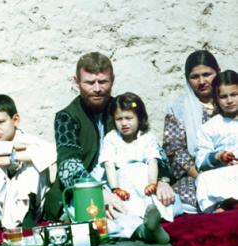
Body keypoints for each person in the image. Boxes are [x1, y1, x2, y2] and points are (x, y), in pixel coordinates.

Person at [44, 52, 176, 221]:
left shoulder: (123, 111)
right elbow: (68, 166)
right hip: (83, 189)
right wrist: (98, 194)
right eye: (90, 83)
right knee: (97, 217)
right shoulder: (66, 117)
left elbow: (153, 150)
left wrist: (162, 180)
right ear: (77, 82)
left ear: (112, 80)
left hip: (125, 187)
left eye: (103, 82)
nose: (97, 89)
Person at [98, 92, 182, 243]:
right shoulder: (112, 138)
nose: (124, 123)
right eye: (119, 119)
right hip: (123, 185)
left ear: (140, 118)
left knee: (167, 203)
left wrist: (152, 183)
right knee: (121, 214)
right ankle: (148, 231)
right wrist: (115, 188)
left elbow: (152, 162)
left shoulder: (146, 137)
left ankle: (153, 220)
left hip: (144, 184)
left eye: (129, 118)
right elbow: (109, 164)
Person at [0, 94, 56, 230]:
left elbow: (51, 152)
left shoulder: (26, 139)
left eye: (0, 122)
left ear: (15, 120)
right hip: (0, 206)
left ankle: (22, 218)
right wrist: (11, 147)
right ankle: (2, 219)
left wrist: (13, 157)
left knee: (32, 163)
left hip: (27, 204)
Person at [162, 50, 220, 212]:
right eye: (195, 77)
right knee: (182, 200)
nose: (202, 81)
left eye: (207, 74)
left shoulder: (229, 100)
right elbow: (175, 149)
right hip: (196, 173)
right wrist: (200, 177)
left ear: (218, 72)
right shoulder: (179, 108)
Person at [195, 70, 238, 212]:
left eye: (234, 95)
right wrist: (218, 156)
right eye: (224, 96)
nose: (230, 100)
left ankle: (228, 205)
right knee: (203, 179)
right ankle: (225, 205)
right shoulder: (210, 127)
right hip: (224, 174)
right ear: (216, 99)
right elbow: (201, 160)